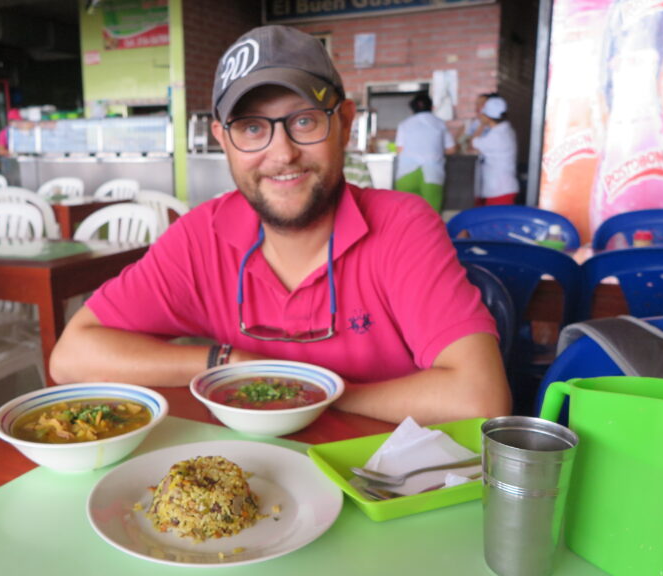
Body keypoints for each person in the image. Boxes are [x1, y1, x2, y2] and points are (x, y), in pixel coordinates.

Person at [50, 25, 510, 425]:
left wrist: (310, 392)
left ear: (344, 124)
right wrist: (229, 363)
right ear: (222, 141)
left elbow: (480, 399)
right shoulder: (200, 237)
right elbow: (72, 358)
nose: (282, 153)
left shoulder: (402, 227)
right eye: (252, 128)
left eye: (305, 120)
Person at [393, 93, 457, 212]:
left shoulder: (404, 124)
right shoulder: (440, 124)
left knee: (405, 214)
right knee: (431, 216)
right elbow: (452, 149)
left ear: (412, 109)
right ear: (431, 107)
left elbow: (399, 149)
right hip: (432, 174)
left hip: (406, 174)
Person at [470, 96, 519, 206]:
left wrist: (482, 124)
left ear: (487, 116)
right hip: (502, 188)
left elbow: (473, 142)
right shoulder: (505, 130)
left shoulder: (496, 136)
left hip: (499, 190)